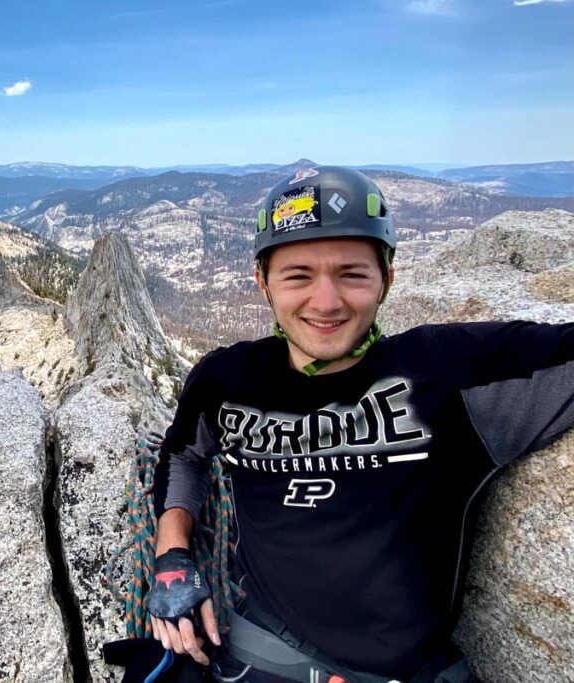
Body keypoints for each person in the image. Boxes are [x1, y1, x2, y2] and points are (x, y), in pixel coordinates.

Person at [146, 166, 574, 683]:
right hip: (261, 655)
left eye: (352, 274)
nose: (326, 302)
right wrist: (173, 555)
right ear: (263, 283)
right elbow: (184, 454)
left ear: (386, 279)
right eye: (298, 275)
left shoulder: (454, 371)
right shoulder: (226, 379)